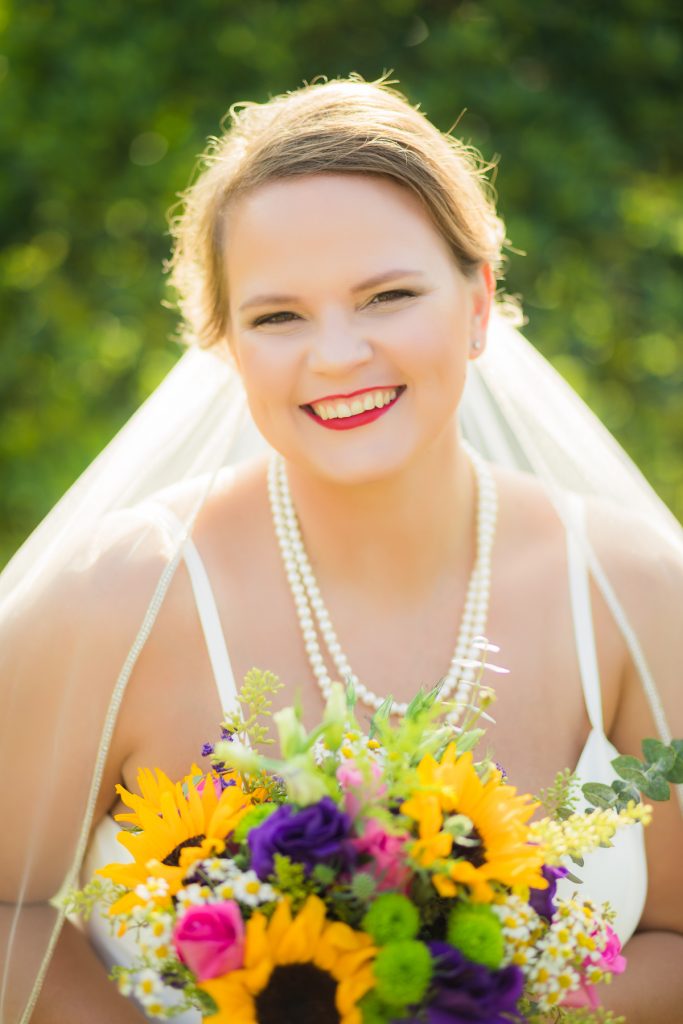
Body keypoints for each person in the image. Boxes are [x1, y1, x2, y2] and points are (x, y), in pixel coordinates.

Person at [1, 73, 681, 1024]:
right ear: (227, 346)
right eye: (277, 316)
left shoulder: (631, 588)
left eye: (387, 295)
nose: (335, 355)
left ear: (479, 300)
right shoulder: (117, 597)